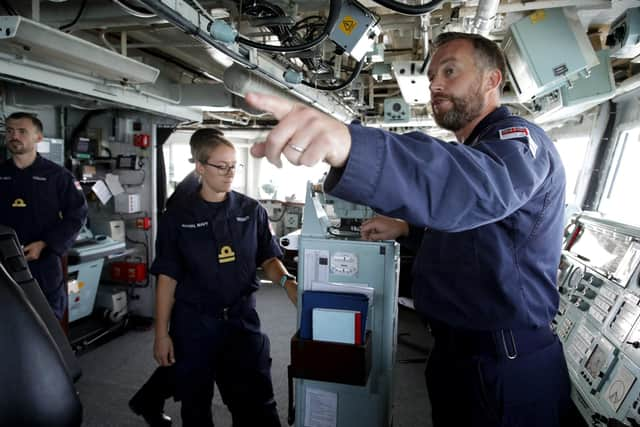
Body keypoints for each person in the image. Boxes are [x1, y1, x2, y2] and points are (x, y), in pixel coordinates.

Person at [244, 32, 571, 427]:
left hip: (504, 363)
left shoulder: (518, 141)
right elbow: (476, 229)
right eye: (432, 75)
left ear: (492, 80)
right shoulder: (478, 150)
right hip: (460, 355)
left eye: (450, 71)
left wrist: (354, 146)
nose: (434, 84)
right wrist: (405, 228)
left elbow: (474, 190)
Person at [149, 129, 297, 427]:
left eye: (233, 165)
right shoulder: (177, 217)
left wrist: (286, 282)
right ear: (200, 168)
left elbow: (268, 259)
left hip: (241, 322)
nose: (230, 173)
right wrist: (161, 334)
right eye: (221, 166)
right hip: (195, 325)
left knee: (258, 406)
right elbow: (167, 278)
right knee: (196, 408)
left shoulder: (251, 210)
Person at [0, 112, 87, 320]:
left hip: (43, 264)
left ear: (38, 138)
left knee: (46, 325)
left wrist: (46, 244)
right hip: (3, 264)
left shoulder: (57, 176)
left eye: (22, 131)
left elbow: (77, 215)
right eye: (10, 131)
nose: (14, 136)